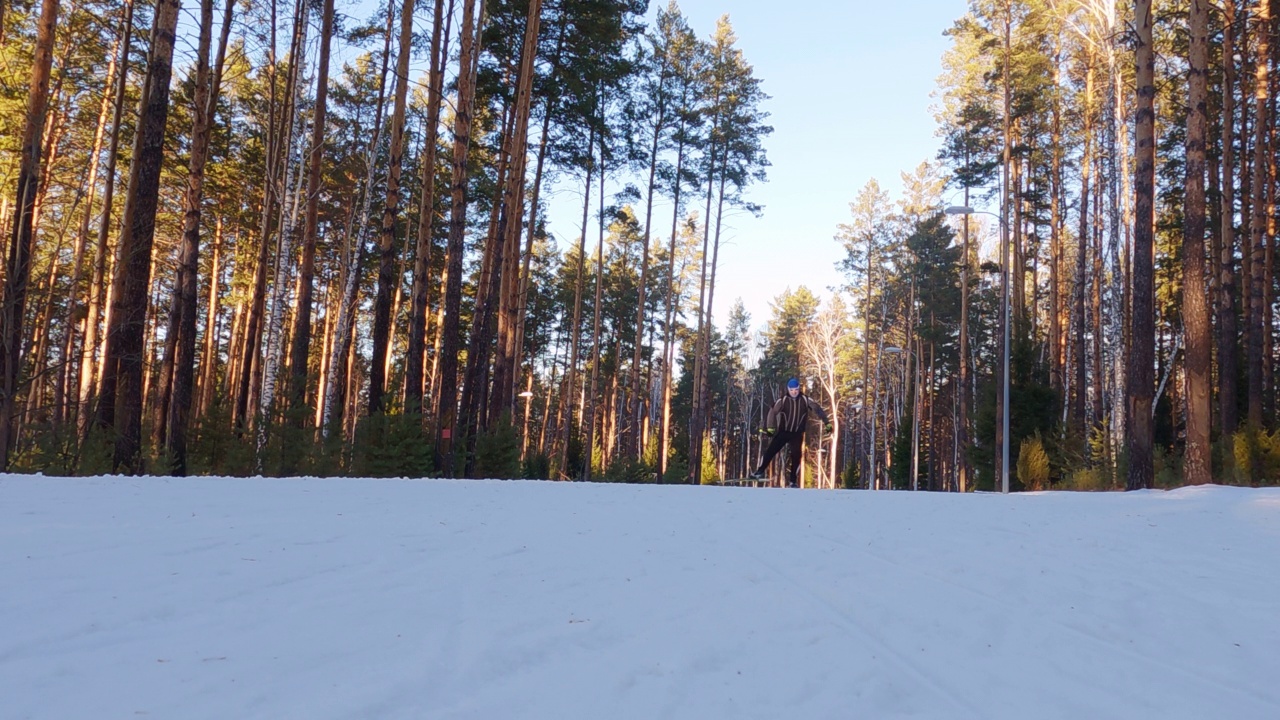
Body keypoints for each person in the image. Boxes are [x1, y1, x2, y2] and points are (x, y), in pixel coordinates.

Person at [749, 377, 831, 488]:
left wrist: (827, 423)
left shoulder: (805, 400)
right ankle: (760, 471)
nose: (794, 392)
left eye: (796, 390)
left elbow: (818, 409)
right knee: (771, 451)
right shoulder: (783, 400)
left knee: (796, 456)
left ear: (799, 389)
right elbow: (772, 412)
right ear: (788, 389)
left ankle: (793, 481)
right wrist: (770, 428)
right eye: (791, 390)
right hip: (784, 432)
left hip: (797, 434)